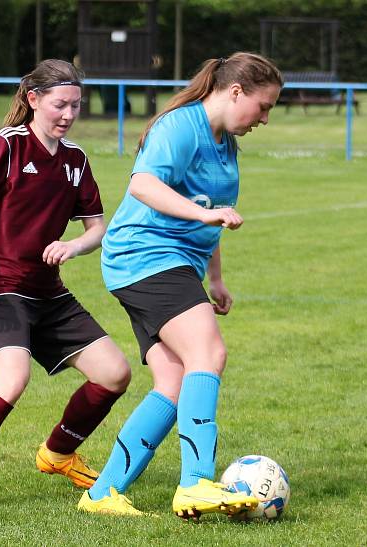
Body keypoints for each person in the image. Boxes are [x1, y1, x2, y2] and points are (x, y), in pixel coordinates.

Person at [0, 59, 132, 516]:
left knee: (115, 373)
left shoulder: (75, 161)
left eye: (76, 105)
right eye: (60, 104)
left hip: (48, 291)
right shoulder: (8, 145)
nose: (68, 114)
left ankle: (57, 454)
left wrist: (73, 246)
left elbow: (98, 227)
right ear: (34, 99)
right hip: (0, 285)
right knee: (12, 379)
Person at [77, 52, 283, 519]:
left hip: (171, 266)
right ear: (235, 92)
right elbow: (144, 186)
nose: (265, 119)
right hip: (144, 256)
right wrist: (204, 214)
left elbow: (214, 211)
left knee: (172, 383)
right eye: (263, 106)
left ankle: (103, 492)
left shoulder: (226, 143)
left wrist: (216, 277)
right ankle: (194, 483)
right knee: (208, 355)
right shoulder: (180, 126)